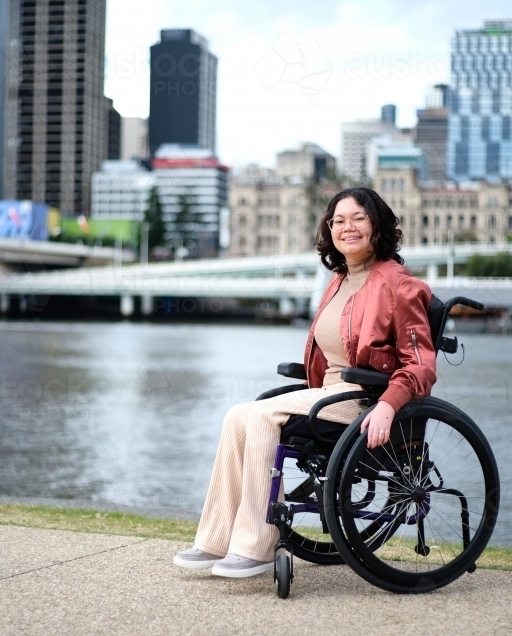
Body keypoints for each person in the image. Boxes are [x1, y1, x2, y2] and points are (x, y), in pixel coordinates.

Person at [174, 187, 437, 578]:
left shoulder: (399, 284)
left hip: (366, 399)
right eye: (338, 221)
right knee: (237, 415)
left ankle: (257, 547)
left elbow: (420, 366)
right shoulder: (337, 280)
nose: (347, 227)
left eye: (358, 218)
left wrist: (388, 404)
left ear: (378, 225)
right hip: (329, 394)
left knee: (262, 415)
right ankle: (215, 539)